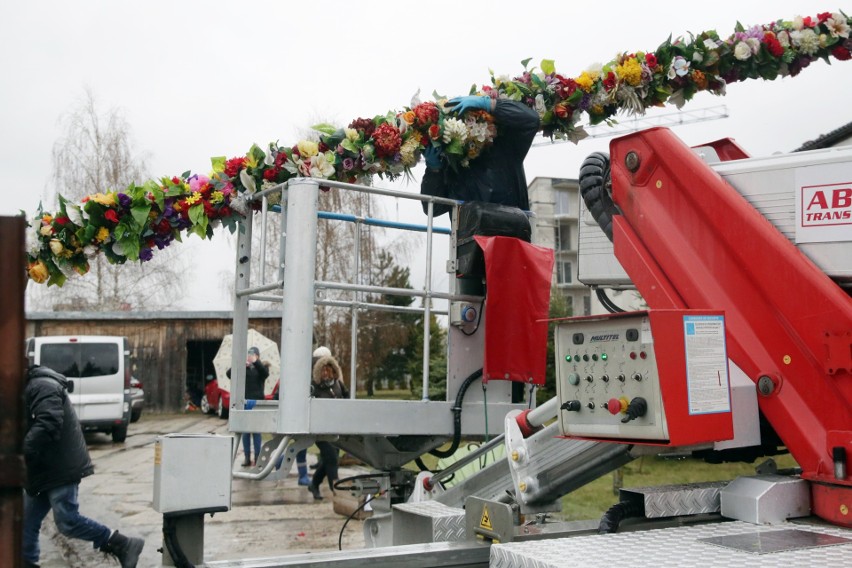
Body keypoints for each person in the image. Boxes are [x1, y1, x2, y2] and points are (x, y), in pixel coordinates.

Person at [23, 364, 145, 568]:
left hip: (60, 467)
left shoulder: (42, 385)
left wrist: (21, 450)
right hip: (41, 469)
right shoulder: (28, 387)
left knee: (67, 520)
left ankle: (122, 544)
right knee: (25, 524)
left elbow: (48, 422)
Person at [420, 95, 540, 217]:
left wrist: (490, 104)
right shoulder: (452, 165)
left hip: (511, 230)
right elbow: (433, 208)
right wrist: (434, 170)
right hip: (470, 234)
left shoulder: (505, 146)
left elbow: (531, 120)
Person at [307, 352, 348, 501]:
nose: (325, 373)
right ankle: (336, 490)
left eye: (328, 370)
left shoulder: (338, 384)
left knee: (328, 461)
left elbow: (347, 399)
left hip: (336, 428)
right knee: (331, 458)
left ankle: (314, 484)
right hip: (320, 430)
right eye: (322, 370)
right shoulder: (314, 387)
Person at [227, 346, 269, 467]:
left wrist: (256, 362)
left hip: (256, 403)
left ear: (257, 356)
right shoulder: (243, 368)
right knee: (245, 432)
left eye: (253, 355)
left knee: (256, 432)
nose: (250, 357)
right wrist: (240, 365)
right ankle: (246, 457)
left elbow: (265, 374)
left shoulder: (261, 367)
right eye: (249, 355)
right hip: (244, 402)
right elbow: (229, 374)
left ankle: (257, 457)